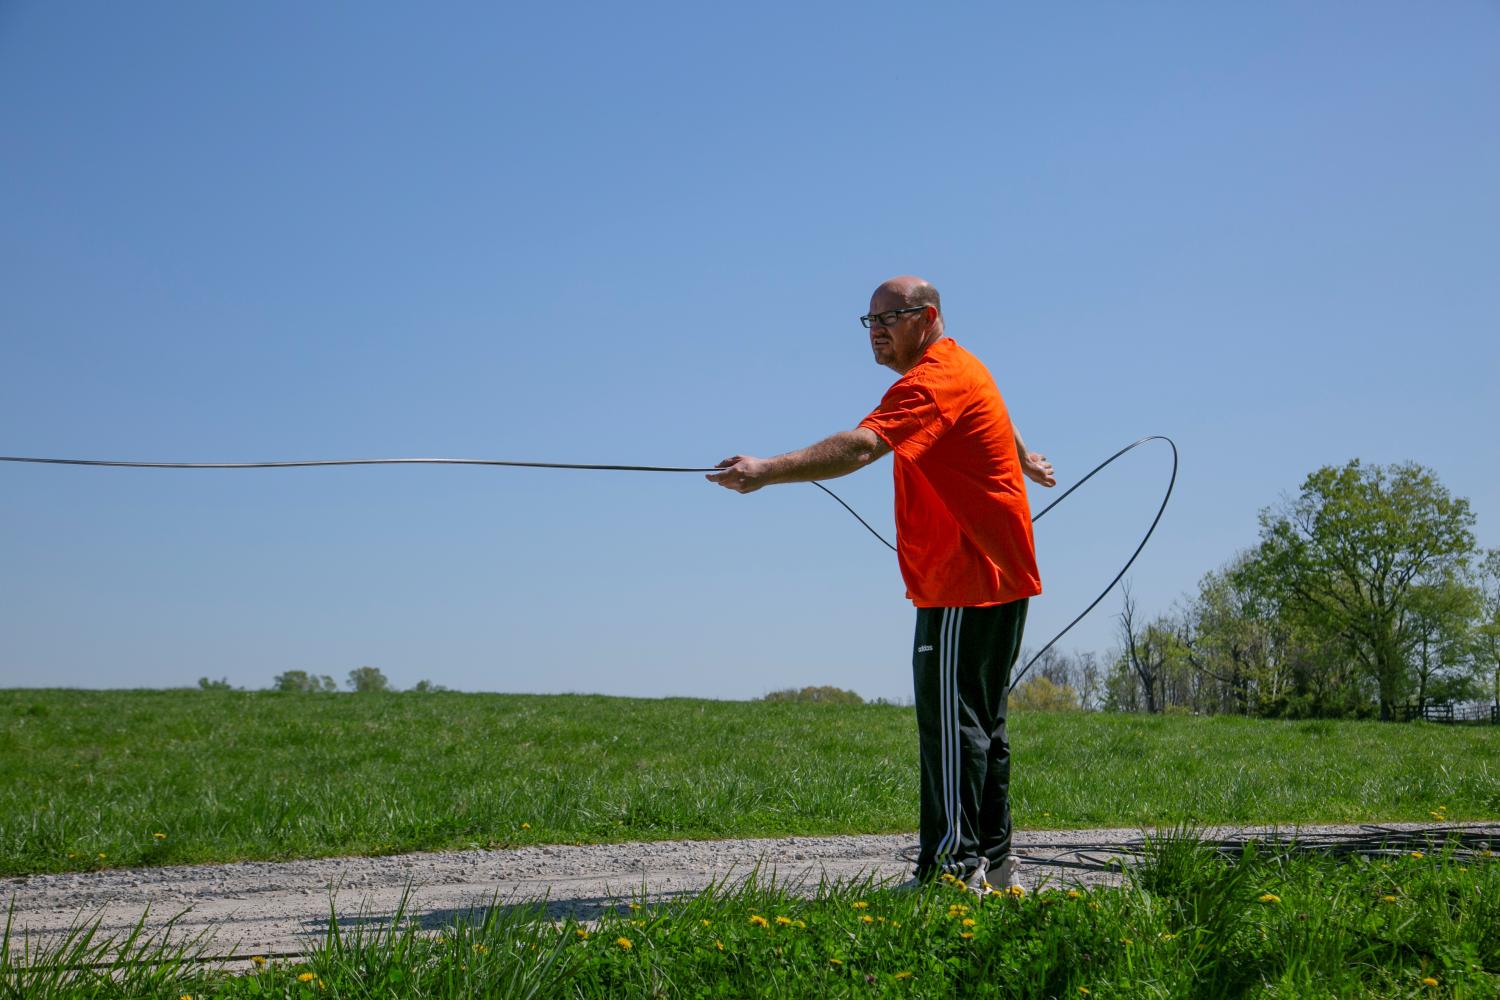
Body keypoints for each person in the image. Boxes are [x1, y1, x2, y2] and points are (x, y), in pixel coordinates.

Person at [708, 275, 1055, 895]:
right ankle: (996, 871)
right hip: (998, 575)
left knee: (955, 727)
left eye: (890, 318)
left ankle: (949, 873)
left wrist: (765, 471)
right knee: (982, 727)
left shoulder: (930, 380)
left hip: (964, 579)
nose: (876, 331)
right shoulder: (962, 368)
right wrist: (1022, 453)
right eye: (868, 321)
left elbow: (861, 447)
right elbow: (997, 410)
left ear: (929, 317)